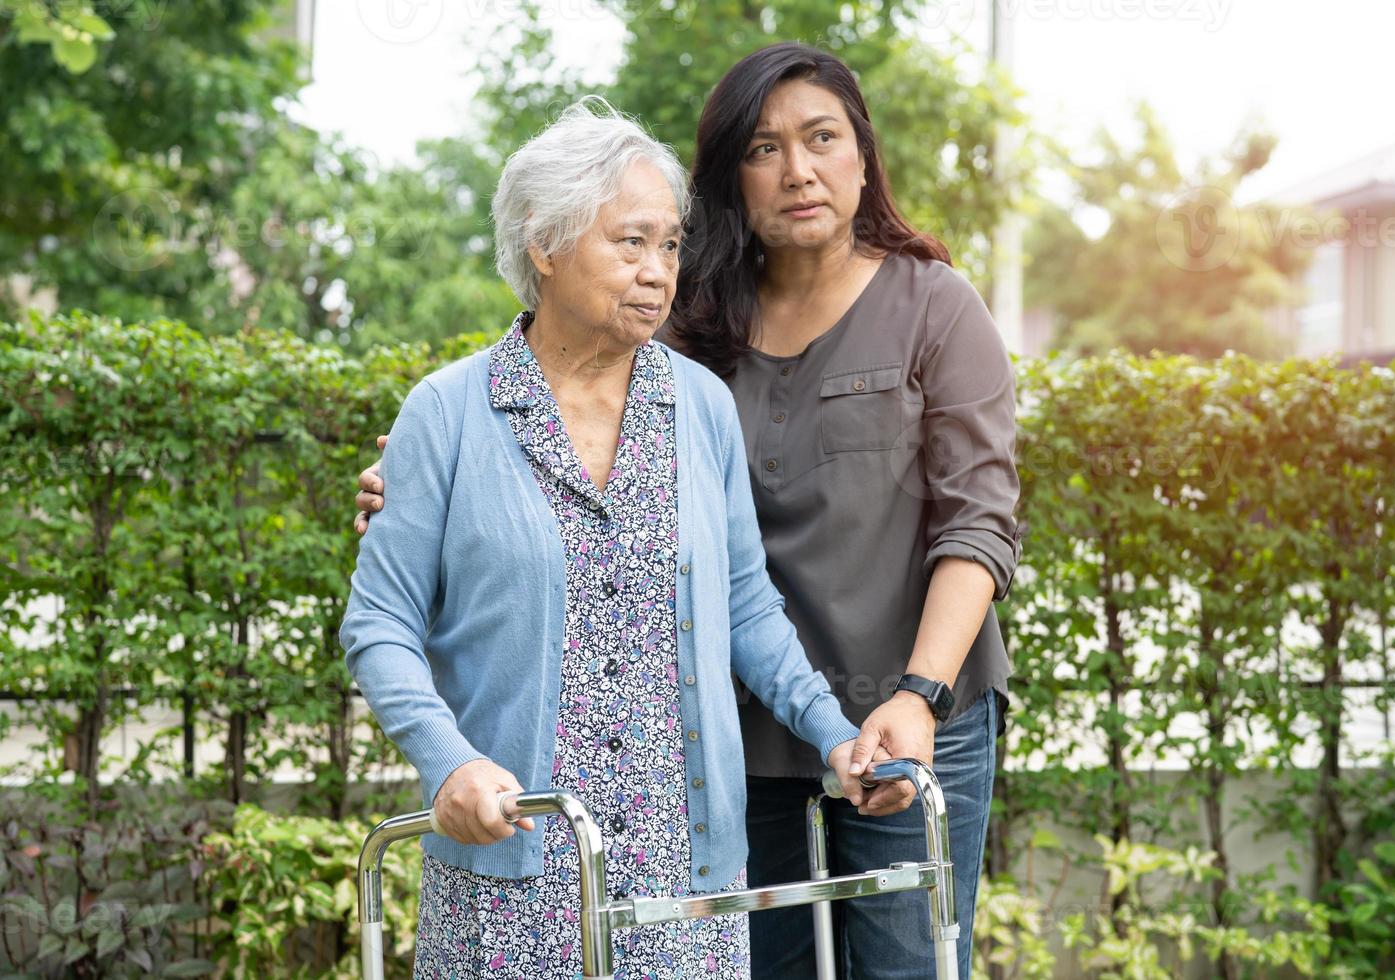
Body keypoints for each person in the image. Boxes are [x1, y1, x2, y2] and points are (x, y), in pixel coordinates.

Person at [357, 44, 1021, 978]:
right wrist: (418, 489)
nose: (656, 269)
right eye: (633, 242)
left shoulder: (882, 325)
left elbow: (962, 528)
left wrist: (889, 711)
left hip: (852, 747)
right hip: (636, 797)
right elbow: (392, 606)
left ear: (862, 155)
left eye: (667, 244)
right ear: (545, 245)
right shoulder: (661, 344)